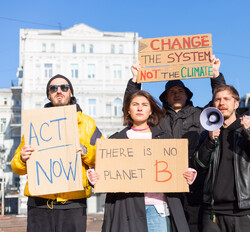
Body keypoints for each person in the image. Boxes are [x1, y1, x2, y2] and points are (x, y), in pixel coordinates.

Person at [127, 55, 226, 231]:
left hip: (197, 184)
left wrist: (216, 75)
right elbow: (133, 109)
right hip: (167, 186)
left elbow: (220, 101)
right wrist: (135, 81)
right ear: (166, 98)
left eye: (180, 91)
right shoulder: (157, 119)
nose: (176, 94)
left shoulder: (202, 114)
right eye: (172, 92)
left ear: (187, 95)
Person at [88, 90, 194, 232]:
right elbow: (104, 173)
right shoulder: (115, 141)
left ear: (150, 111)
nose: (139, 108)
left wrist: (189, 174)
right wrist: (94, 177)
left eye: (144, 105)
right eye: (135, 104)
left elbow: (178, 169)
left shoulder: (165, 139)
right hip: (126, 210)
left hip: (158, 211)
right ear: (128, 110)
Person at [11, 74, 103, 232]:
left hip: (73, 204)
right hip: (39, 204)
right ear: (48, 94)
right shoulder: (35, 125)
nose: (59, 91)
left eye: (64, 87)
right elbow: (16, 168)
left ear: (70, 92)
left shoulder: (87, 124)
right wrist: (21, 158)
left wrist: (86, 152)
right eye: (53, 88)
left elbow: (103, 157)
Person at [194, 84, 250, 232]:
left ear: (236, 104)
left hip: (246, 211)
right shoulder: (207, 134)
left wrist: (249, 132)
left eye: (226, 99)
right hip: (212, 212)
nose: (222, 103)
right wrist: (210, 142)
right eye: (217, 100)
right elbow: (199, 166)